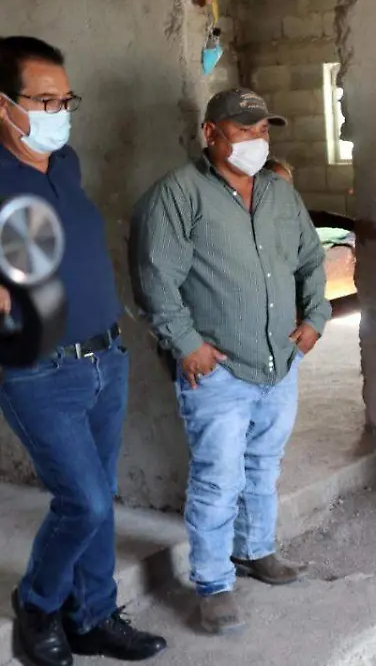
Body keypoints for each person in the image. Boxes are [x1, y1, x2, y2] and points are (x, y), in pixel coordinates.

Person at [131, 88, 330, 634]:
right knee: (218, 479)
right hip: (217, 370)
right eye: (244, 130)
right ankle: (214, 583)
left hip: (279, 361)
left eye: (263, 130)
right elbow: (155, 280)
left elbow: (311, 259)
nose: (257, 141)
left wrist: (316, 317)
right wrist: (186, 344)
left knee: (264, 464)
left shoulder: (278, 193)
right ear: (210, 133)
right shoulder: (178, 195)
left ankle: (256, 550)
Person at [0, 36, 167, 666]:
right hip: (38, 369)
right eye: (43, 100)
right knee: (85, 501)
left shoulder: (63, 162)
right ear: (3, 105)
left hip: (105, 357)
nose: (58, 112)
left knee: (102, 497)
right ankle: (38, 603)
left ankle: (93, 615)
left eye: (65, 99)